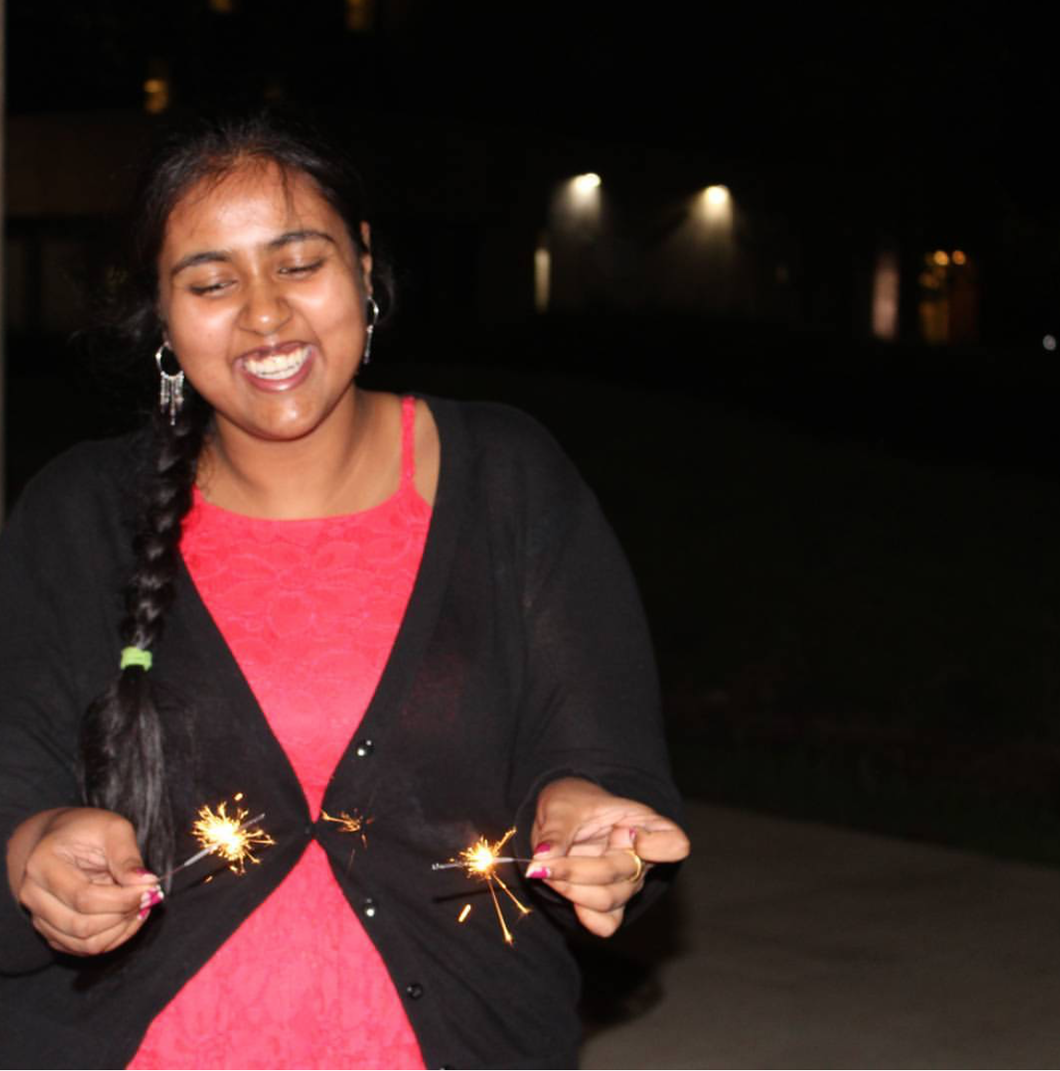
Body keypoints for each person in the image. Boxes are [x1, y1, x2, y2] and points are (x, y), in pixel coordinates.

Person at [0, 110, 689, 1070]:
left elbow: (608, 765)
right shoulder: (78, 513)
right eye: (210, 281)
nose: (265, 314)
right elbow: (13, 773)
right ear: (162, 311)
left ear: (363, 262)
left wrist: (583, 818)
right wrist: (34, 844)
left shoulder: (508, 478)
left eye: (298, 263)